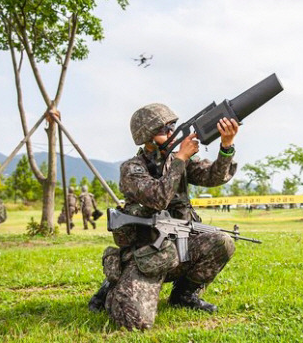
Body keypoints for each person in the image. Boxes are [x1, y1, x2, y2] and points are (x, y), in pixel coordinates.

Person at [89, 103, 239, 330]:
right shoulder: (132, 169)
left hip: (178, 248)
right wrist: (180, 159)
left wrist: (226, 146)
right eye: (164, 130)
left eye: (173, 127)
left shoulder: (179, 161)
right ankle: (113, 288)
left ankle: (184, 296)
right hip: (147, 257)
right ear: (146, 137)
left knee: (222, 242)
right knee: (135, 323)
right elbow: (158, 199)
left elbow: (213, 177)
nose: (171, 133)